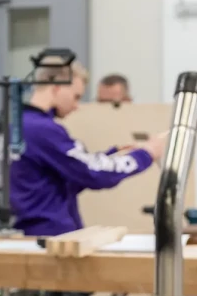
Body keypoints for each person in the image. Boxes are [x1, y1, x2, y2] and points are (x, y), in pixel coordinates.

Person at [10, 58, 165, 238]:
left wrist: (114, 155)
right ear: (57, 88)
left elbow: (68, 176)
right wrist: (146, 154)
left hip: (37, 234)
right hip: (53, 238)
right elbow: (93, 173)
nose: (76, 106)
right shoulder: (43, 130)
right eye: (76, 96)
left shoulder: (21, 126)